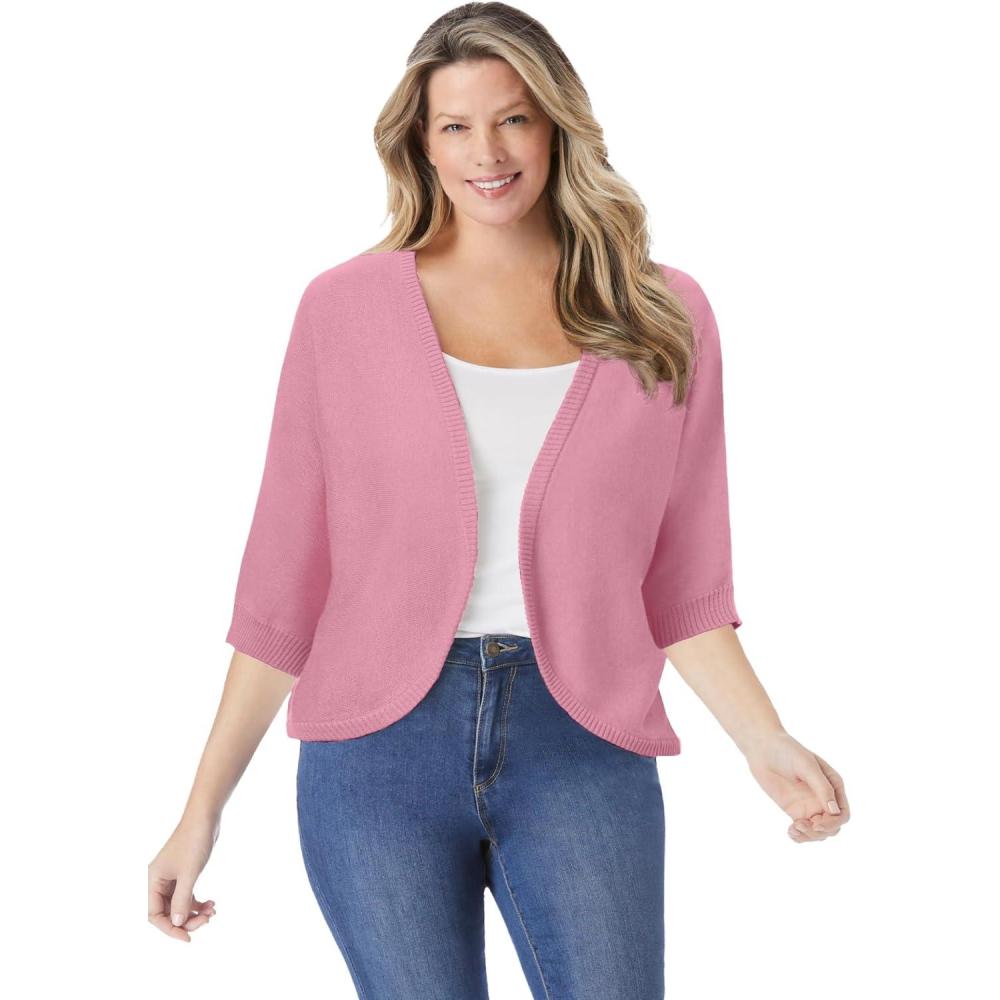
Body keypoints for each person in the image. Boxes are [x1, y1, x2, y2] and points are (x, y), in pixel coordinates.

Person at [148, 3, 850, 996]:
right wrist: (201, 810)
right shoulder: (343, 311)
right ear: (422, 143)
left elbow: (683, 579)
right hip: (376, 757)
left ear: (556, 125)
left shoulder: (660, 315)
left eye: (513, 118)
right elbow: (283, 587)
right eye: (456, 125)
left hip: (583, 741)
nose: (487, 152)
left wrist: (763, 739)